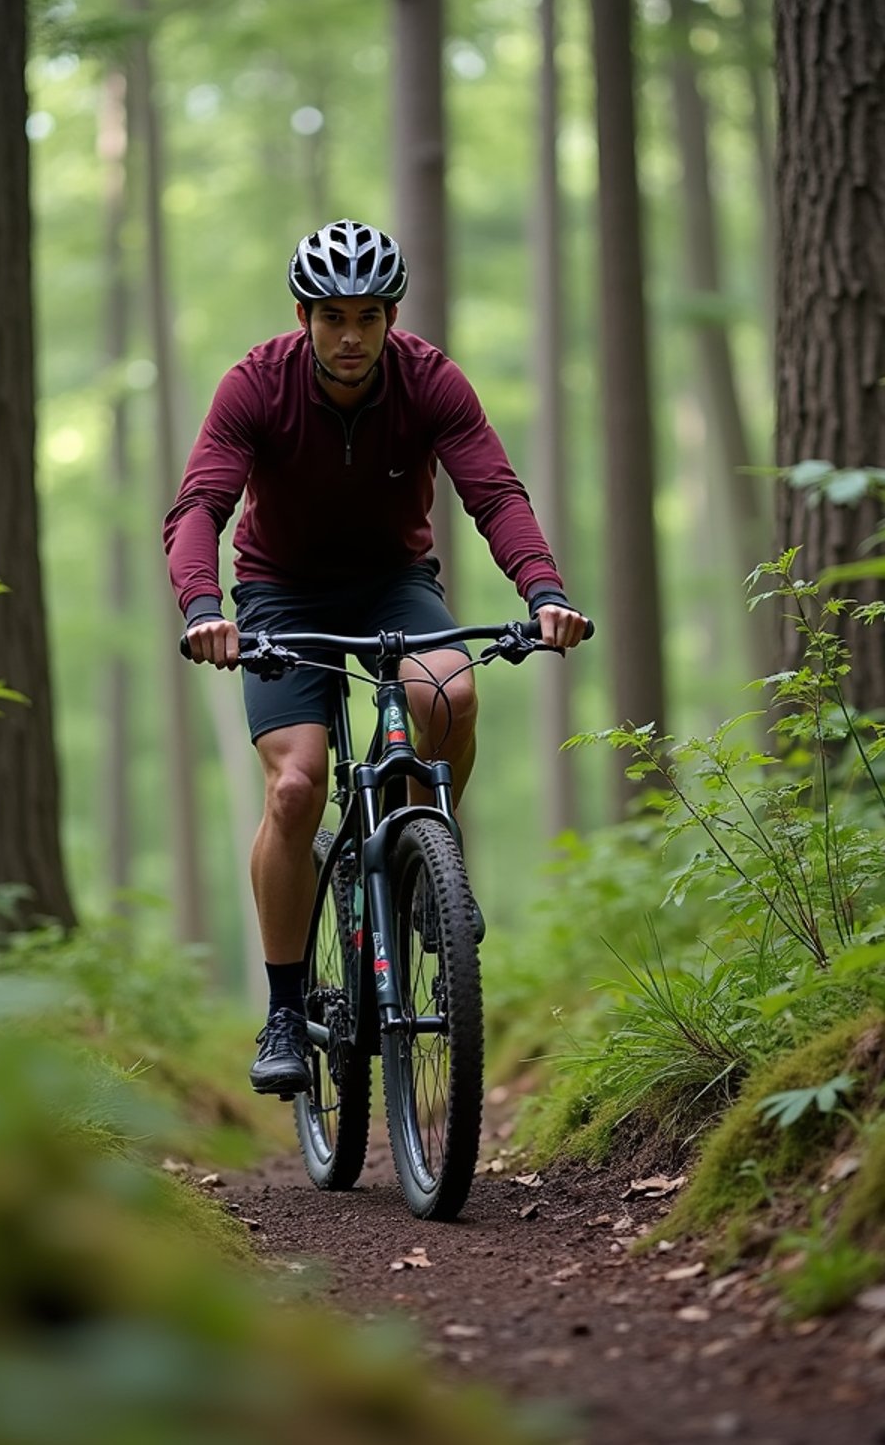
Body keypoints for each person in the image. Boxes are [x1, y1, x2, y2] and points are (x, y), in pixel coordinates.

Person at [164, 218, 587, 1096]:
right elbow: (199, 506)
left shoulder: (431, 381)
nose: (350, 336)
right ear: (304, 316)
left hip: (394, 581)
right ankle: (285, 1009)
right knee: (294, 786)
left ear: (392, 317)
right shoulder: (256, 385)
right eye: (332, 317)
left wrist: (543, 591)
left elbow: (493, 491)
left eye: (368, 316)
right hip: (281, 593)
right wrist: (207, 608)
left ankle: (425, 854)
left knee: (449, 692)